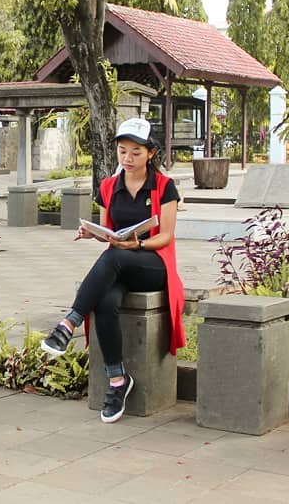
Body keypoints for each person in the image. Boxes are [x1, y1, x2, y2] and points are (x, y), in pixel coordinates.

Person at [41, 117, 185, 423]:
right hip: (120, 262)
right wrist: (91, 233)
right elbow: (108, 231)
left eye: (136, 152)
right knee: (105, 301)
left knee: (115, 257)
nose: (128, 158)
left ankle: (68, 324)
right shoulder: (108, 187)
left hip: (153, 263)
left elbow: (166, 236)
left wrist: (137, 245)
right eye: (122, 151)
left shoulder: (164, 187)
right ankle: (118, 381)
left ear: (150, 153)